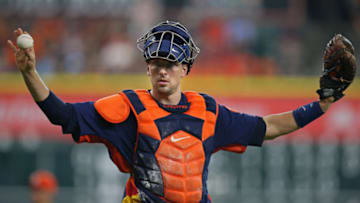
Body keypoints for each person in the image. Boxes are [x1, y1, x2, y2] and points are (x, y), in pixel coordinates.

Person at [8, 21, 334, 203]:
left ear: (185, 69)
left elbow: (267, 128)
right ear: (148, 68)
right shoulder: (129, 107)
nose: (162, 71)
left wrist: (321, 104)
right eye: (156, 64)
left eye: (170, 65)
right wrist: (29, 72)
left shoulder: (207, 110)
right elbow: (62, 115)